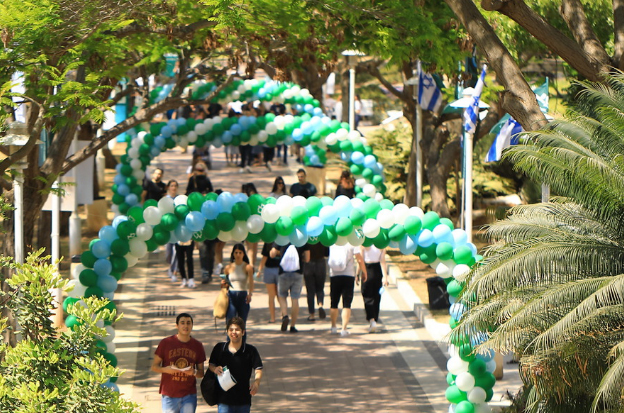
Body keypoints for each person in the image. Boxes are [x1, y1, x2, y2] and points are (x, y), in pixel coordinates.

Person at [151, 313, 206, 413]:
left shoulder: (197, 346)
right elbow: (154, 367)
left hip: (189, 395)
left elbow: (201, 373)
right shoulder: (166, 343)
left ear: (192, 325)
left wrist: (193, 372)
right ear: (177, 326)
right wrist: (166, 370)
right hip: (169, 395)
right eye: (182, 323)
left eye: (188, 323)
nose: (185, 326)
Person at [208, 317, 263, 413]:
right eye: (231, 329)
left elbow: (258, 368)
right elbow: (211, 365)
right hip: (223, 400)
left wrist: (256, 382)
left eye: (237, 329)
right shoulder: (219, 348)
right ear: (227, 332)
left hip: (243, 400)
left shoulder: (250, 350)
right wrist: (215, 369)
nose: (234, 332)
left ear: (243, 332)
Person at [328, 243, 367, 337]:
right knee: (346, 303)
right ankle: (344, 329)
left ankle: (333, 327)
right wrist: (364, 272)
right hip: (348, 275)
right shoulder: (352, 242)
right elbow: (359, 259)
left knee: (334, 302)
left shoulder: (333, 241)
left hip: (334, 274)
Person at [270, 243, 310, 333]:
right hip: (298, 273)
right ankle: (293, 326)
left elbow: (272, 254)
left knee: (282, 296)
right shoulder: (302, 239)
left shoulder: (282, 238)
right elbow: (307, 258)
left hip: (283, 272)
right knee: (295, 299)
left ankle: (285, 315)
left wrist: (279, 252)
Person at [357, 245, 388, 333]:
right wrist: (385, 277)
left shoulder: (364, 244)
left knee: (367, 296)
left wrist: (357, 274)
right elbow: (383, 261)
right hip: (377, 271)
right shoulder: (381, 244)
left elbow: (360, 261)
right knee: (376, 296)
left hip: (366, 269)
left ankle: (371, 319)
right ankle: (375, 318)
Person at [223, 243, 255, 323]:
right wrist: (223, 284)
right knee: (230, 321)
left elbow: (251, 282)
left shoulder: (248, 267)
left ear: (243, 254)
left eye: (240, 253)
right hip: (231, 295)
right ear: (233, 254)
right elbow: (225, 282)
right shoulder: (228, 267)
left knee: (242, 322)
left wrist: (250, 294)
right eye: (236, 253)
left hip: (243, 295)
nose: (238, 255)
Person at [256, 242, 281, 323]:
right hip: (281, 270)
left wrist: (259, 270)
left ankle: (272, 318)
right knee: (280, 295)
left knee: (271, 295)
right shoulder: (283, 241)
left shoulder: (268, 242)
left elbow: (265, 257)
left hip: (269, 270)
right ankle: (284, 315)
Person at [303, 243, 329, 321]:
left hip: (308, 264)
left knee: (310, 291)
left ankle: (312, 315)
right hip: (321, 263)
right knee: (320, 288)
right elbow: (327, 253)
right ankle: (320, 305)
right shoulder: (322, 238)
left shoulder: (307, 238)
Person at [165, 180, 180, 282]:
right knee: (168, 253)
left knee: (176, 251)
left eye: (175, 186)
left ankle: (174, 271)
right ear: (168, 187)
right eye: (172, 186)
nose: (173, 188)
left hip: (177, 229)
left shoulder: (180, 199)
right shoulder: (165, 200)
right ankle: (170, 265)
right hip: (167, 230)